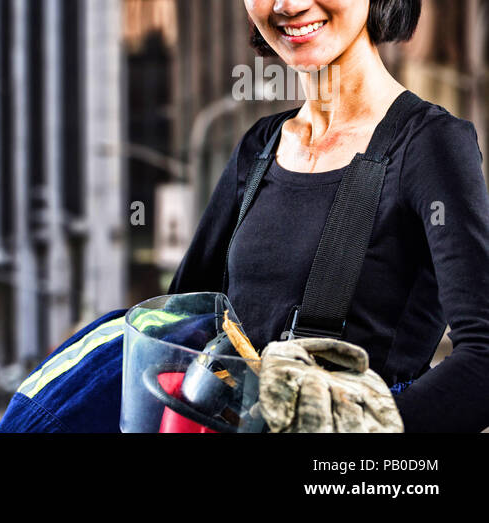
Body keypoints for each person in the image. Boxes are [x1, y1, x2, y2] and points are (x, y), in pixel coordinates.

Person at [171, 0, 489, 432]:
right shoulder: (260, 147)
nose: (290, 4)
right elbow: (180, 328)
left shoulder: (431, 146)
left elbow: (483, 359)